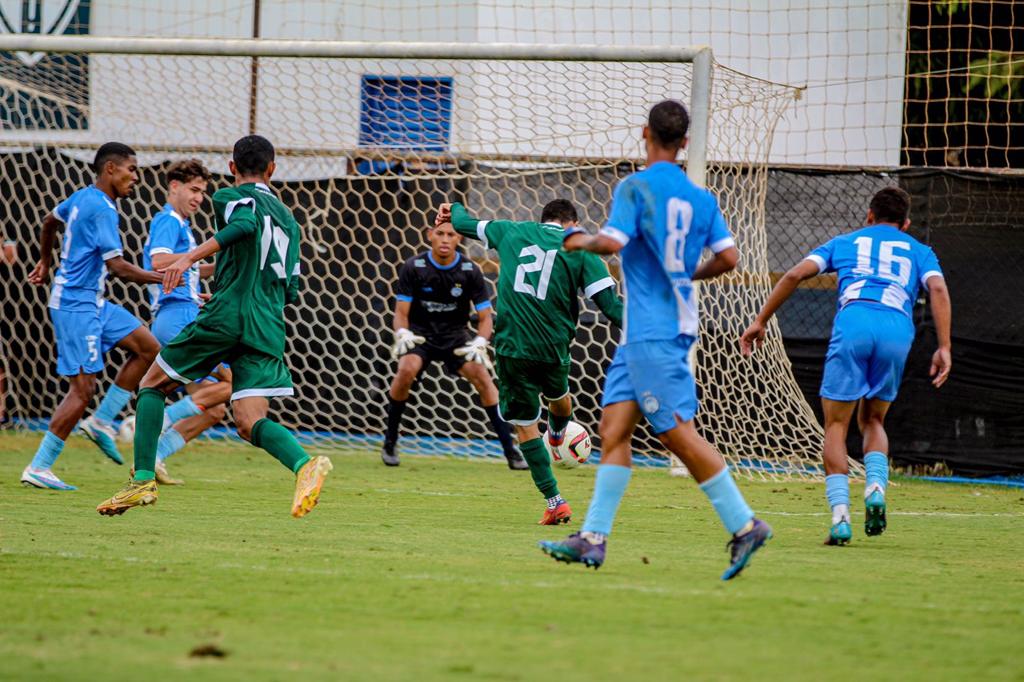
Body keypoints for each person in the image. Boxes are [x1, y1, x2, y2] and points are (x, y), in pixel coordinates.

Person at [539, 100, 771, 580]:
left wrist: (576, 239)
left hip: (652, 332)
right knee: (613, 431)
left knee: (675, 432)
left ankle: (744, 524)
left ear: (645, 133)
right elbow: (729, 258)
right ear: (684, 142)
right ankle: (592, 538)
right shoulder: (701, 199)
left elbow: (612, 243)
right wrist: (689, 273)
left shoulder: (636, 188)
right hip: (650, 333)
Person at [95, 135, 332, 517]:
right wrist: (227, 288)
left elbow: (246, 224)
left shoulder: (229, 197)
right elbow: (290, 289)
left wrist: (188, 259)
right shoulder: (290, 221)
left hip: (230, 316)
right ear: (272, 169)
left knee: (152, 384)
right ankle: (304, 465)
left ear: (233, 168)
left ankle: (141, 480)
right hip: (267, 323)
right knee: (249, 420)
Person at [740, 186, 951, 545]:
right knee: (874, 419)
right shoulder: (920, 251)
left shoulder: (845, 242)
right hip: (897, 331)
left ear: (869, 215)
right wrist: (944, 345)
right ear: (906, 223)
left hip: (854, 325)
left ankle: (840, 519)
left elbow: (793, 275)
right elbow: (939, 290)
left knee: (836, 425)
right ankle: (876, 489)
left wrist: (760, 321)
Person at [437, 198, 623, 525]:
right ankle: (556, 437)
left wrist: (451, 207)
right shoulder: (582, 248)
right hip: (553, 348)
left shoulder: (511, 231)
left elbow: (464, 224)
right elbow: (611, 307)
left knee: (524, 424)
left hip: (512, 345)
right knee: (559, 401)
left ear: (544, 218)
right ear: (572, 223)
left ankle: (555, 501)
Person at [21, 143, 166, 490]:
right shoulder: (102, 208)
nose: (136, 177)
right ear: (110, 169)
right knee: (82, 390)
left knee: (149, 348)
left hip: (93, 302)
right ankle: (39, 467)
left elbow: (49, 221)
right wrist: (166, 277)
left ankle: (100, 422)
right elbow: (118, 267)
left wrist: (45, 261)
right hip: (75, 306)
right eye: (131, 169)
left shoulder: (83, 197)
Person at [383, 220, 527, 470]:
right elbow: (400, 313)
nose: (445, 239)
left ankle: (510, 450)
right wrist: (402, 332)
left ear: (459, 239)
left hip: (455, 336)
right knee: (406, 370)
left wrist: (481, 341)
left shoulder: (470, 270)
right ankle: (390, 441)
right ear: (430, 235)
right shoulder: (413, 267)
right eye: (440, 233)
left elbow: (485, 318)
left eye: (451, 234)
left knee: (483, 377)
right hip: (420, 335)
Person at [138, 159, 232, 485]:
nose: (199, 198)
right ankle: (161, 419)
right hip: (178, 316)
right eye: (194, 190)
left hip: (181, 311)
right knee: (232, 381)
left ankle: (156, 455)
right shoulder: (169, 221)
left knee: (215, 409)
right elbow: (159, 261)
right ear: (174, 186)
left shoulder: (182, 226)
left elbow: (186, 269)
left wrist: (219, 270)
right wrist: (197, 262)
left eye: (203, 192)